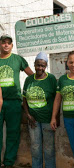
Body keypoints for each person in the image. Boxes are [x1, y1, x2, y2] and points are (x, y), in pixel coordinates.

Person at [0, 34, 33, 168]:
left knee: (13, 133)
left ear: (12, 45)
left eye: (9, 43)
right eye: (3, 43)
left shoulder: (18, 59)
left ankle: (8, 163)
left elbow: (31, 75)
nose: (6, 45)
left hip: (14, 101)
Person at [23, 52, 57, 168]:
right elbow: (24, 99)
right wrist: (27, 114)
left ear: (46, 66)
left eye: (43, 65)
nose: (40, 68)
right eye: (38, 65)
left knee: (49, 148)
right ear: (34, 65)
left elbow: (57, 99)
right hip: (33, 120)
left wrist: (54, 118)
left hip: (47, 120)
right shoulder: (29, 80)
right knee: (35, 147)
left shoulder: (51, 79)